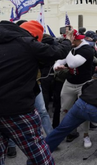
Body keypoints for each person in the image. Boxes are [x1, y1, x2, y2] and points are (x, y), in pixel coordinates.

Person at [0, 20, 73, 165]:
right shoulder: (26, 43)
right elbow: (58, 52)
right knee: (39, 154)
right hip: (17, 109)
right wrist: (68, 40)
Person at [54, 28, 94, 149]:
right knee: (64, 110)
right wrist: (57, 66)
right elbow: (59, 60)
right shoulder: (72, 48)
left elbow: (72, 64)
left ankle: (86, 135)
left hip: (84, 84)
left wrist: (66, 48)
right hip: (70, 83)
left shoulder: (87, 49)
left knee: (84, 110)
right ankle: (64, 134)